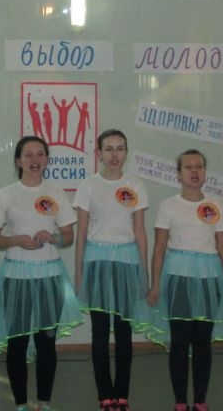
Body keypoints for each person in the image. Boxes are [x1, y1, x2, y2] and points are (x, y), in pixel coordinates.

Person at [0, 135, 83, 411]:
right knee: (17, 343)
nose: (34, 160)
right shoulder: (6, 194)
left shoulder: (56, 192)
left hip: (50, 277)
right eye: (28, 155)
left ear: (47, 159)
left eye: (40, 154)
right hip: (16, 278)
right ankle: (21, 404)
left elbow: (68, 235)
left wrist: (54, 237)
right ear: (18, 161)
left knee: (46, 343)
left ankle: (44, 402)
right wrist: (15, 240)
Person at [146, 149, 223, 411]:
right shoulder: (168, 206)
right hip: (178, 278)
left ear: (205, 172)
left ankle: (200, 400)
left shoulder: (216, 204)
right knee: (179, 342)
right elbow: (159, 248)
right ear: (178, 174)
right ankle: (180, 401)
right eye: (188, 167)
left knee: (202, 342)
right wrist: (155, 284)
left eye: (199, 166)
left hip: (209, 279)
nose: (194, 171)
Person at [74, 129, 151, 411]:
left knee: (123, 330)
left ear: (126, 152)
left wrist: (144, 271)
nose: (114, 154)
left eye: (120, 148)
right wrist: (79, 271)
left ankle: (122, 393)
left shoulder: (136, 185)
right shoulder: (88, 186)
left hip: (127, 261)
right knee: (99, 330)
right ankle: (104, 394)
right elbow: (82, 232)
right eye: (108, 149)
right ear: (99, 153)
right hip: (96, 261)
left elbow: (140, 231)